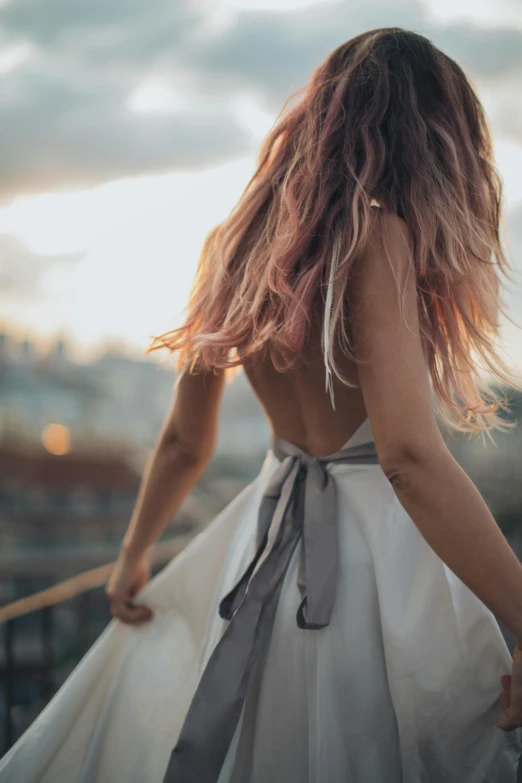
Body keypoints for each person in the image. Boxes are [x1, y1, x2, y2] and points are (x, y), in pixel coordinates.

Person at [1, 25, 522, 783]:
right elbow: (408, 456)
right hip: (377, 566)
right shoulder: (380, 237)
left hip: (260, 547)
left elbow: (185, 439)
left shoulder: (231, 243)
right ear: (429, 139)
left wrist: (133, 555)